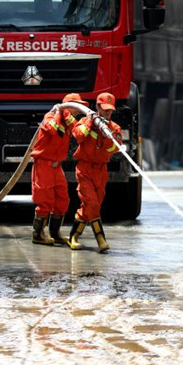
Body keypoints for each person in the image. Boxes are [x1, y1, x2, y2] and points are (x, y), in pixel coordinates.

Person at [67, 92, 122, 253]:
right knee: (92, 204)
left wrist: (107, 136)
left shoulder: (114, 128)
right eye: (104, 109)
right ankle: (101, 240)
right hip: (85, 169)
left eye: (110, 110)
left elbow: (115, 148)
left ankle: (73, 236)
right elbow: (78, 135)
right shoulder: (85, 121)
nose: (108, 113)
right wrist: (91, 123)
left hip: (101, 171)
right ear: (97, 107)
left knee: (90, 207)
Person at [30, 93, 81, 245]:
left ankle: (55, 233)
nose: (78, 111)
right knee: (45, 201)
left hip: (57, 166)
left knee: (62, 199)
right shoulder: (51, 116)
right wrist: (61, 113)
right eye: (76, 107)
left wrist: (69, 117)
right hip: (44, 165)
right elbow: (51, 129)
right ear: (67, 107)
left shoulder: (69, 121)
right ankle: (38, 235)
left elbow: (78, 132)